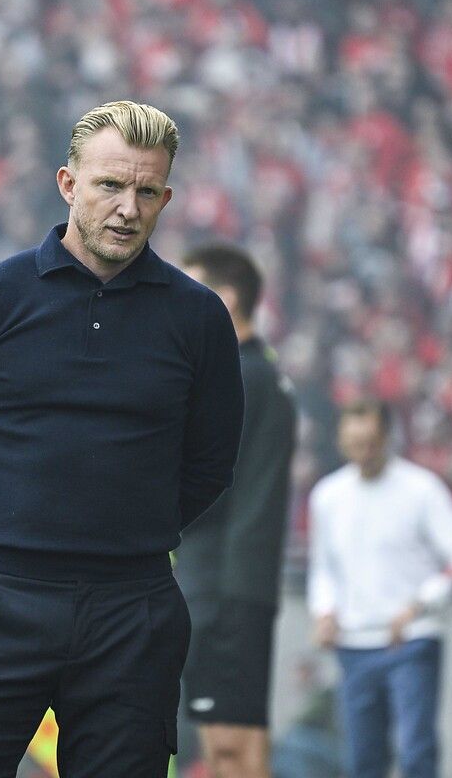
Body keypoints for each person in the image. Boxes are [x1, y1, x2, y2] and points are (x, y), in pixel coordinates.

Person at [0, 100, 244, 777]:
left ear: (166, 198)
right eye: (109, 185)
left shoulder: (199, 318)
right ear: (68, 183)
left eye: (147, 191)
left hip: (133, 610)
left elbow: (211, 463)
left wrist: (128, 528)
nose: (127, 208)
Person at [307, 399, 452, 778]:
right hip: (354, 645)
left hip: (411, 641)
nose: (362, 451)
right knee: (363, 762)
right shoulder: (327, 496)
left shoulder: (421, 489)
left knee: (416, 753)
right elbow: (323, 569)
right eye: (353, 443)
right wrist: (324, 612)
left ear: (386, 438)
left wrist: (421, 604)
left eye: (369, 441)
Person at [175, 246, 297, 778]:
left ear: (224, 299)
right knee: (236, 737)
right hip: (240, 584)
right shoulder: (264, 373)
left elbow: (202, 482)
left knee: (228, 746)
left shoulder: (237, 377)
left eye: (191, 292)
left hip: (220, 586)